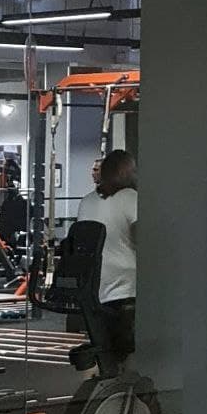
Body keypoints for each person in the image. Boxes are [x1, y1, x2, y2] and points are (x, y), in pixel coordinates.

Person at [74, 149, 137, 363]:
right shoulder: (130, 198)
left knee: (109, 350)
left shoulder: (86, 201)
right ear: (125, 172)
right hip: (124, 288)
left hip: (93, 288)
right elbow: (147, 241)